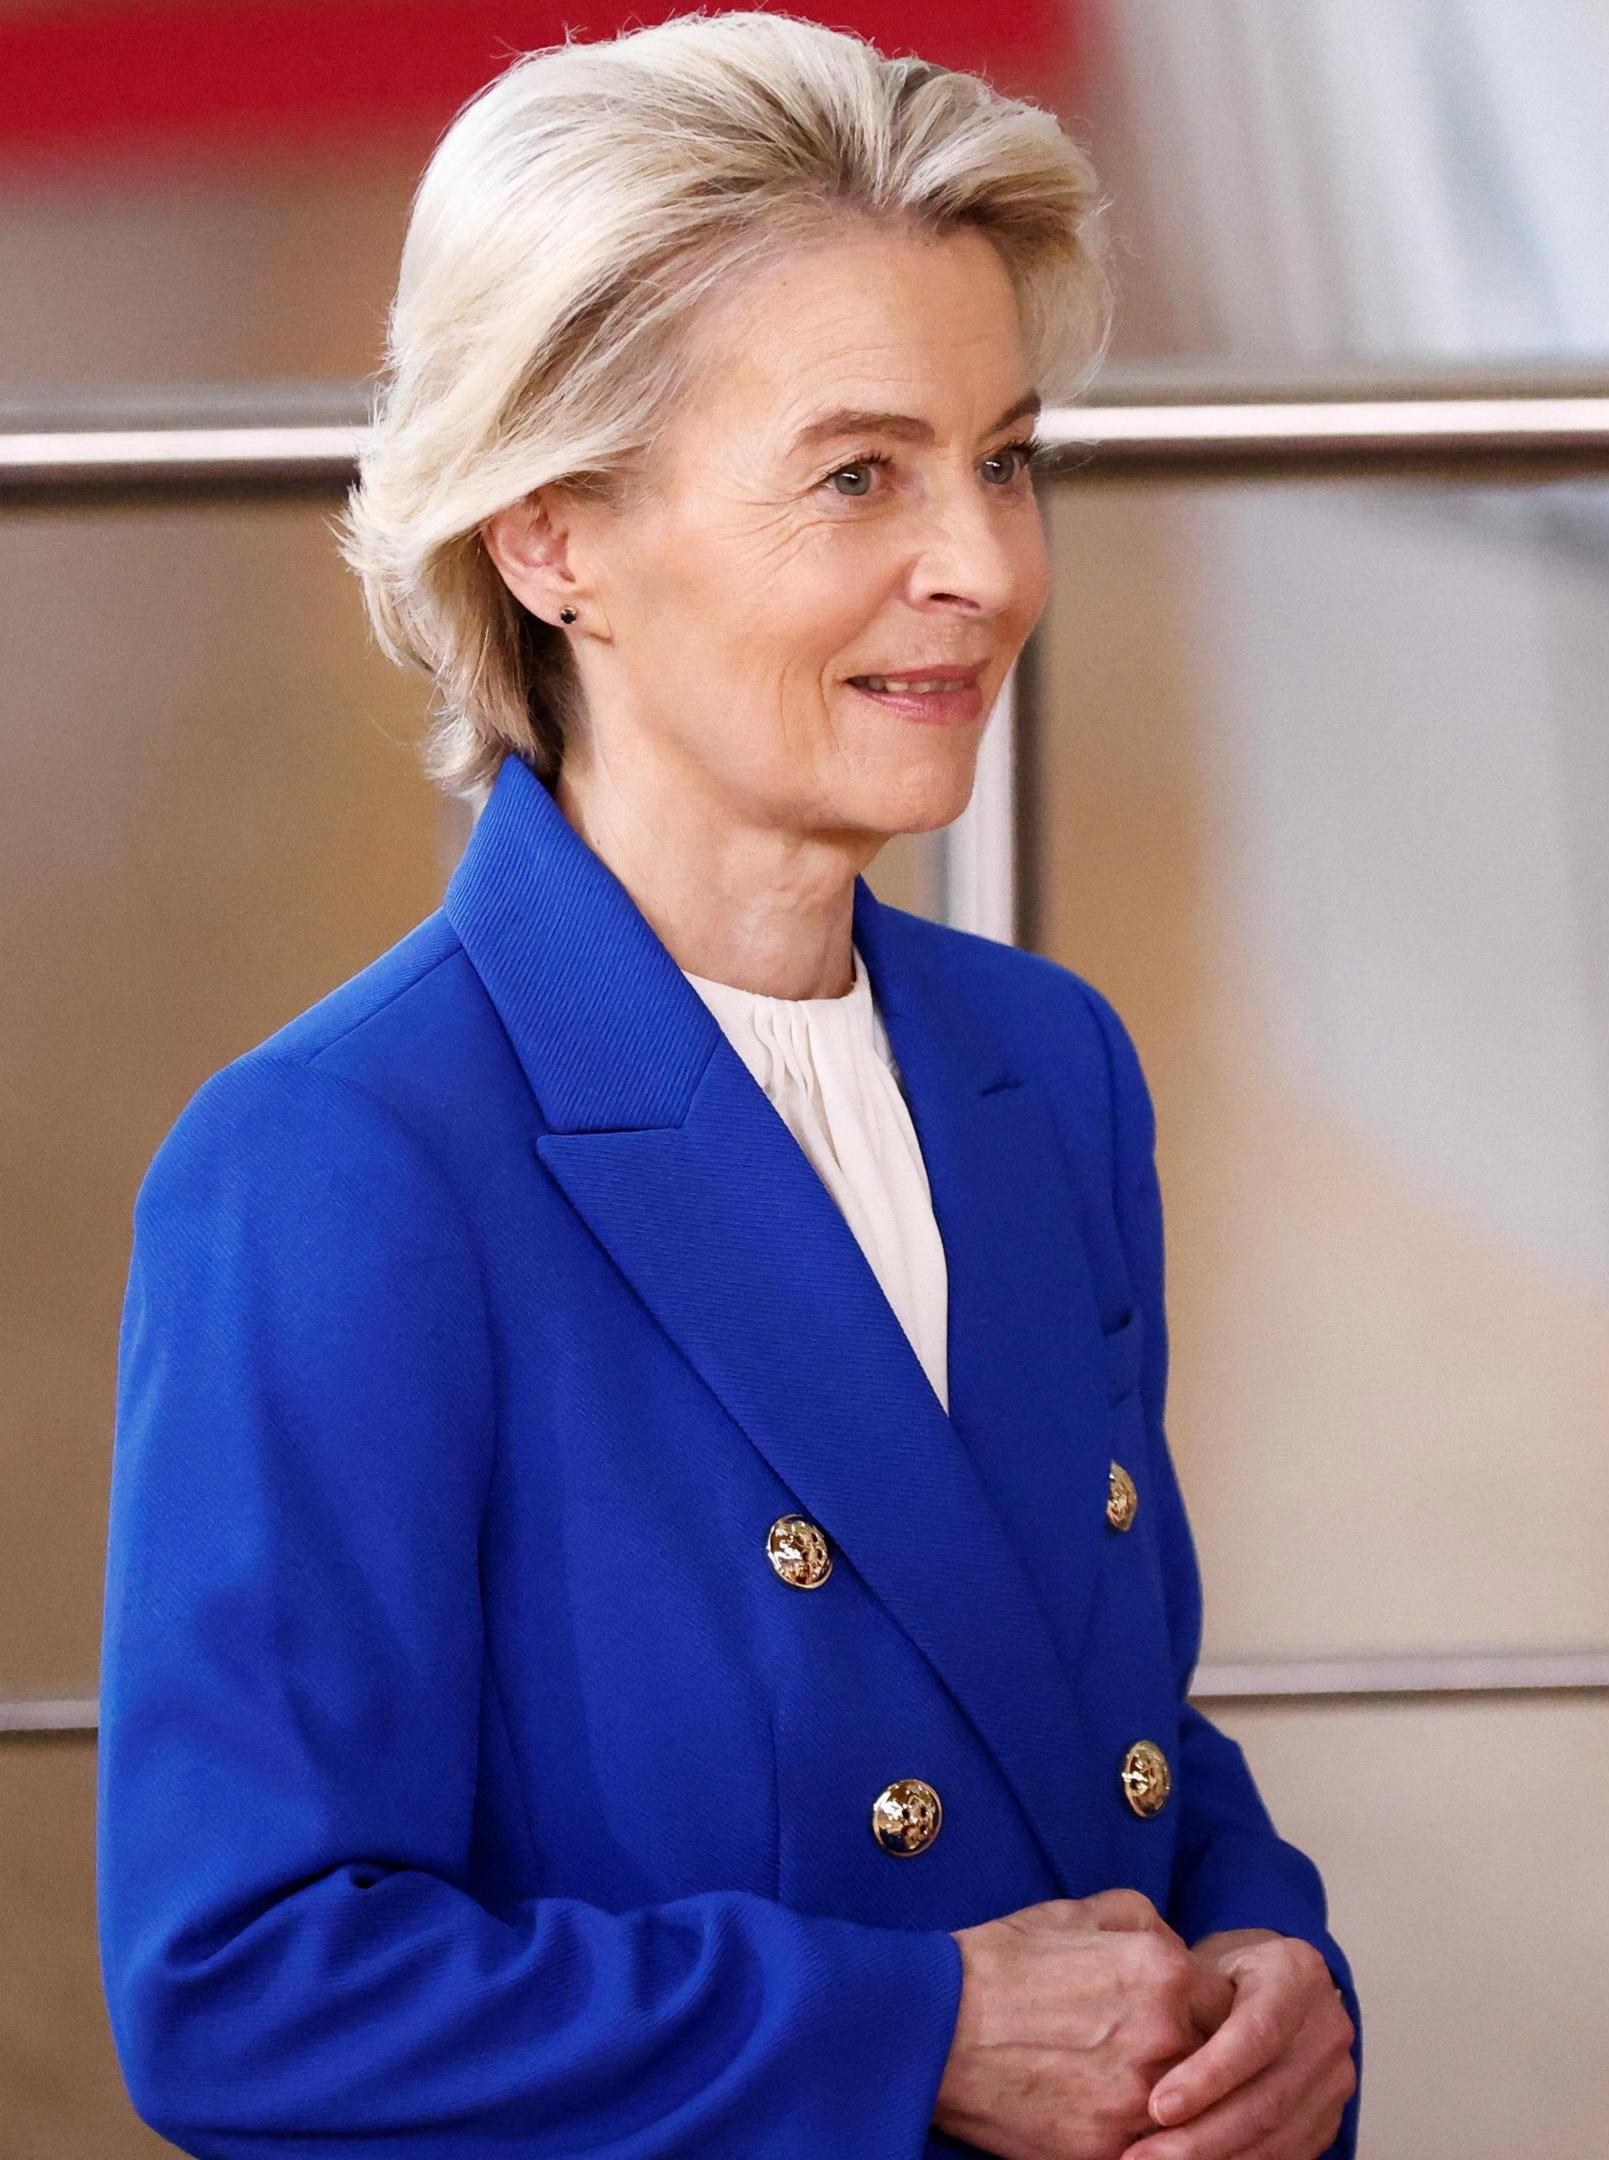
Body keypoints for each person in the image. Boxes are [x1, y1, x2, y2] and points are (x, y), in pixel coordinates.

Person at [97, 17, 1355, 2157]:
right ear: (554, 535)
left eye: (1007, 454)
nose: (984, 562)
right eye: (862, 473)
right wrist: (911, 2038)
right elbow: (248, 1994)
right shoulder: (336, 1164)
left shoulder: (1049, 1071)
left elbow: (1084, 1720)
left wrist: (1272, 1968)